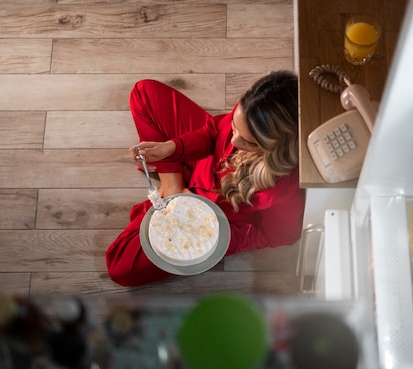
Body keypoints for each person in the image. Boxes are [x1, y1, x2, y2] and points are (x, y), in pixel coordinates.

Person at [106, 70, 306, 286]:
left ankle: (172, 182)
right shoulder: (252, 114)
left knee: (119, 265)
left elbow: (276, 236)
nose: (235, 142)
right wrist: (171, 148)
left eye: (248, 142)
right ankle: (172, 186)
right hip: (206, 162)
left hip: (214, 211)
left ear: (275, 147)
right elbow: (213, 133)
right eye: (234, 127)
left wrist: (215, 236)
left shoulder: (286, 193)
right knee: (144, 92)